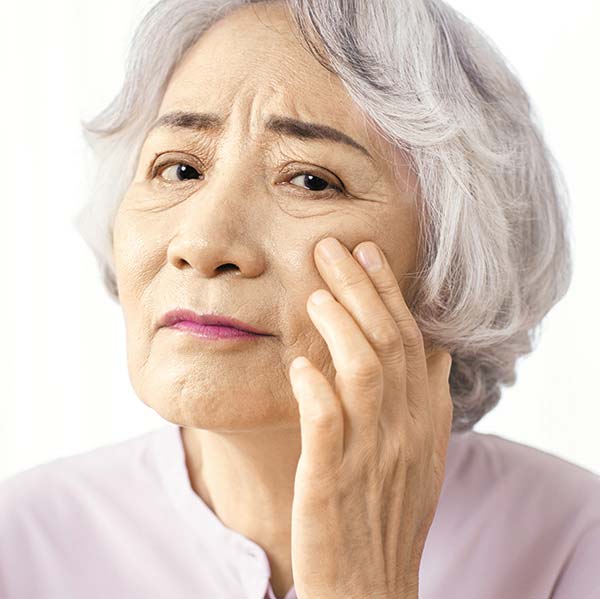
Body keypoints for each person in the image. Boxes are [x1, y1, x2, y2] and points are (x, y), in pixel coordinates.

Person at [1, 1, 599, 598]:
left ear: (452, 262)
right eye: (179, 169)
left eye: (311, 180)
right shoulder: (20, 545)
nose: (202, 244)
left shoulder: (574, 546)